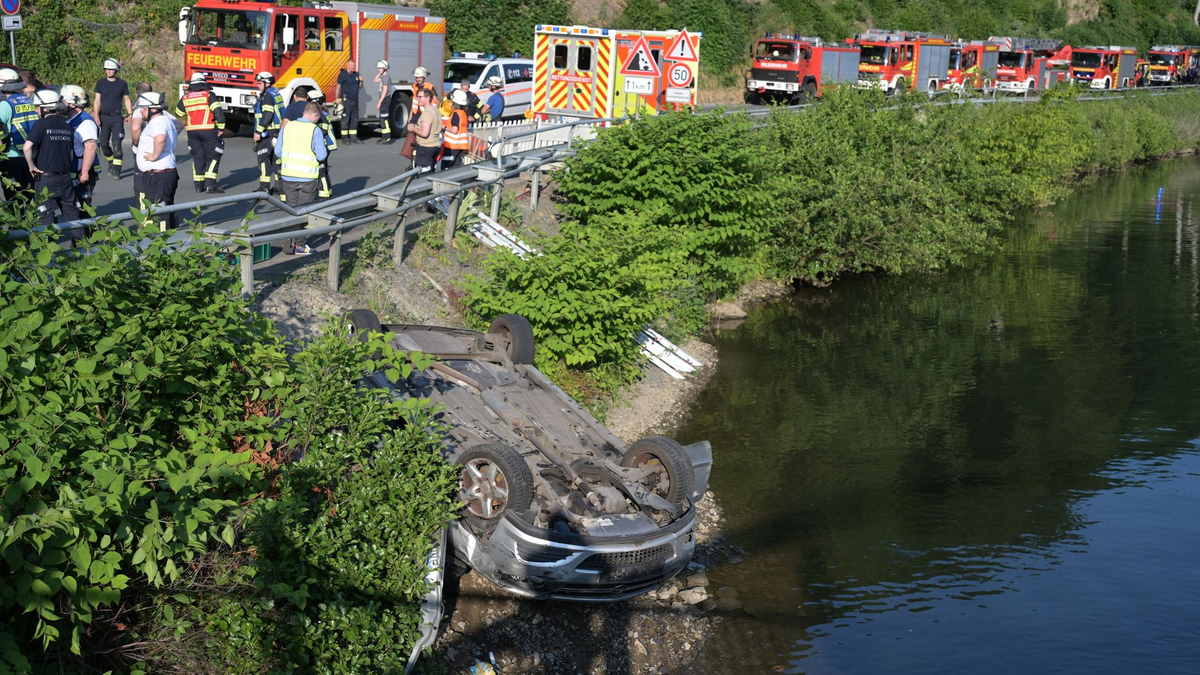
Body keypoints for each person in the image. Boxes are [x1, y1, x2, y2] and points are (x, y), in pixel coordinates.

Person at [22, 90, 80, 238]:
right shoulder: (67, 126)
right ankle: (82, 250)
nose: (36, 110)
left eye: (37, 107)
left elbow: (27, 147)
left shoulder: (40, 124)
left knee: (45, 217)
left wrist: (31, 166)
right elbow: (71, 153)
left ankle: (48, 255)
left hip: (46, 179)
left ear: (45, 108)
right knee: (72, 215)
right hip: (65, 177)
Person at [274, 102, 328, 254]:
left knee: (291, 208)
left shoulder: (288, 126)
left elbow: (278, 151)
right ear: (315, 115)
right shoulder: (314, 130)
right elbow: (322, 155)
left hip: (288, 175)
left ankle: (289, 238)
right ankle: (300, 245)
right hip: (307, 177)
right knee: (304, 212)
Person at [133, 91, 180, 232]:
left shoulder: (157, 122)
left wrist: (153, 156)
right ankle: (171, 239)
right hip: (165, 173)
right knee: (168, 208)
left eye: (143, 108)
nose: (141, 111)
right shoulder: (166, 120)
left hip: (158, 175)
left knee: (159, 213)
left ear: (153, 109)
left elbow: (160, 138)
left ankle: (161, 242)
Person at [174, 73, 226, 193]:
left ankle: (199, 185)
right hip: (208, 130)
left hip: (192, 132)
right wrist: (221, 128)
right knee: (214, 155)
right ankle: (211, 185)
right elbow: (218, 112)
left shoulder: (186, 97)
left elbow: (179, 113)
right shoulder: (209, 95)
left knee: (198, 157)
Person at [60, 85, 100, 231]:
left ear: (72, 103)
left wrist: (84, 173)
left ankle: (90, 240)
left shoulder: (85, 122)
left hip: (82, 173)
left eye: (63, 101)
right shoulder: (72, 119)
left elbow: (90, 147)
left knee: (83, 209)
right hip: (75, 171)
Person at [1, 68, 39, 196]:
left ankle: (18, 217)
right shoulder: (31, 100)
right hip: (32, 155)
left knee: (13, 198)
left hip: (12, 156)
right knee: (30, 196)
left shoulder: (5, 105)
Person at [93, 58, 132, 180]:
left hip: (117, 118)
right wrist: (95, 115)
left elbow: (126, 99)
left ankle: (116, 169)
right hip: (104, 117)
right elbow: (97, 100)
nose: (109, 71)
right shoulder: (100, 83)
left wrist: (130, 113)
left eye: (111, 69)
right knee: (104, 145)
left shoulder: (122, 84)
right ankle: (111, 161)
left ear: (116, 70)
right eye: (107, 69)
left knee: (117, 144)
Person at [253, 71, 285, 193]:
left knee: (263, 159)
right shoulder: (275, 93)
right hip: (276, 132)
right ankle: (278, 187)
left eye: (260, 83)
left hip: (267, 133)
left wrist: (258, 131)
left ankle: (264, 188)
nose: (258, 86)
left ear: (267, 83)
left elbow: (267, 115)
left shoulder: (267, 97)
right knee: (275, 160)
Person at [307, 89, 337, 198]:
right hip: (325, 146)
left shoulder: (321, 115)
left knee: (321, 170)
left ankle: (324, 192)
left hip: (323, 146)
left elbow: (323, 131)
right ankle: (328, 190)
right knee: (323, 168)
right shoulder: (322, 112)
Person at [128, 81, 153, 203]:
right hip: (158, 150)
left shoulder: (140, 109)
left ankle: (144, 215)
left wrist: (136, 143)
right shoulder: (159, 108)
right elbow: (178, 125)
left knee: (141, 183)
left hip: (143, 152)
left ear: (136, 94)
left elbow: (136, 128)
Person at [408, 89, 441, 173]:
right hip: (435, 146)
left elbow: (424, 133)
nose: (418, 99)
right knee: (431, 172)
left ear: (427, 98)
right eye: (417, 97)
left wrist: (413, 128)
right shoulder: (435, 110)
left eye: (420, 97)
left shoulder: (427, 113)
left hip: (426, 148)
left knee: (424, 174)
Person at [336, 60, 363, 143]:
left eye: (354, 65)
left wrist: (361, 80)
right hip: (346, 100)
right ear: (347, 65)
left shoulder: (356, 74)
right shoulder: (343, 74)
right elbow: (338, 86)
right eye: (351, 65)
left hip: (355, 100)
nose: (353, 67)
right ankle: (344, 139)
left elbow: (360, 87)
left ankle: (353, 138)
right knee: (346, 119)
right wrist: (336, 98)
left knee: (354, 119)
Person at [442, 89, 470, 169]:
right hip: (460, 146)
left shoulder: (455, 114)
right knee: (456, 167)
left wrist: (444, 128)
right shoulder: (463, 114)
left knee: (446, 167)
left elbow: (455, 130)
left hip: (452, 146)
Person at [374, 59, 393, 143]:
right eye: (378, 68)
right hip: (384, 100)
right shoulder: (383, 76)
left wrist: (379, 102)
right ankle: (384, 137)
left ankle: (387, 138)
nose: (379, 69)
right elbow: (375, 80)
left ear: (385, 68)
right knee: (383, 119)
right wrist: (380, 72)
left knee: (384, 120)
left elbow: (385, 91)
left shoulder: (385, 77)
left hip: (385, 100)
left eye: (380, 68)